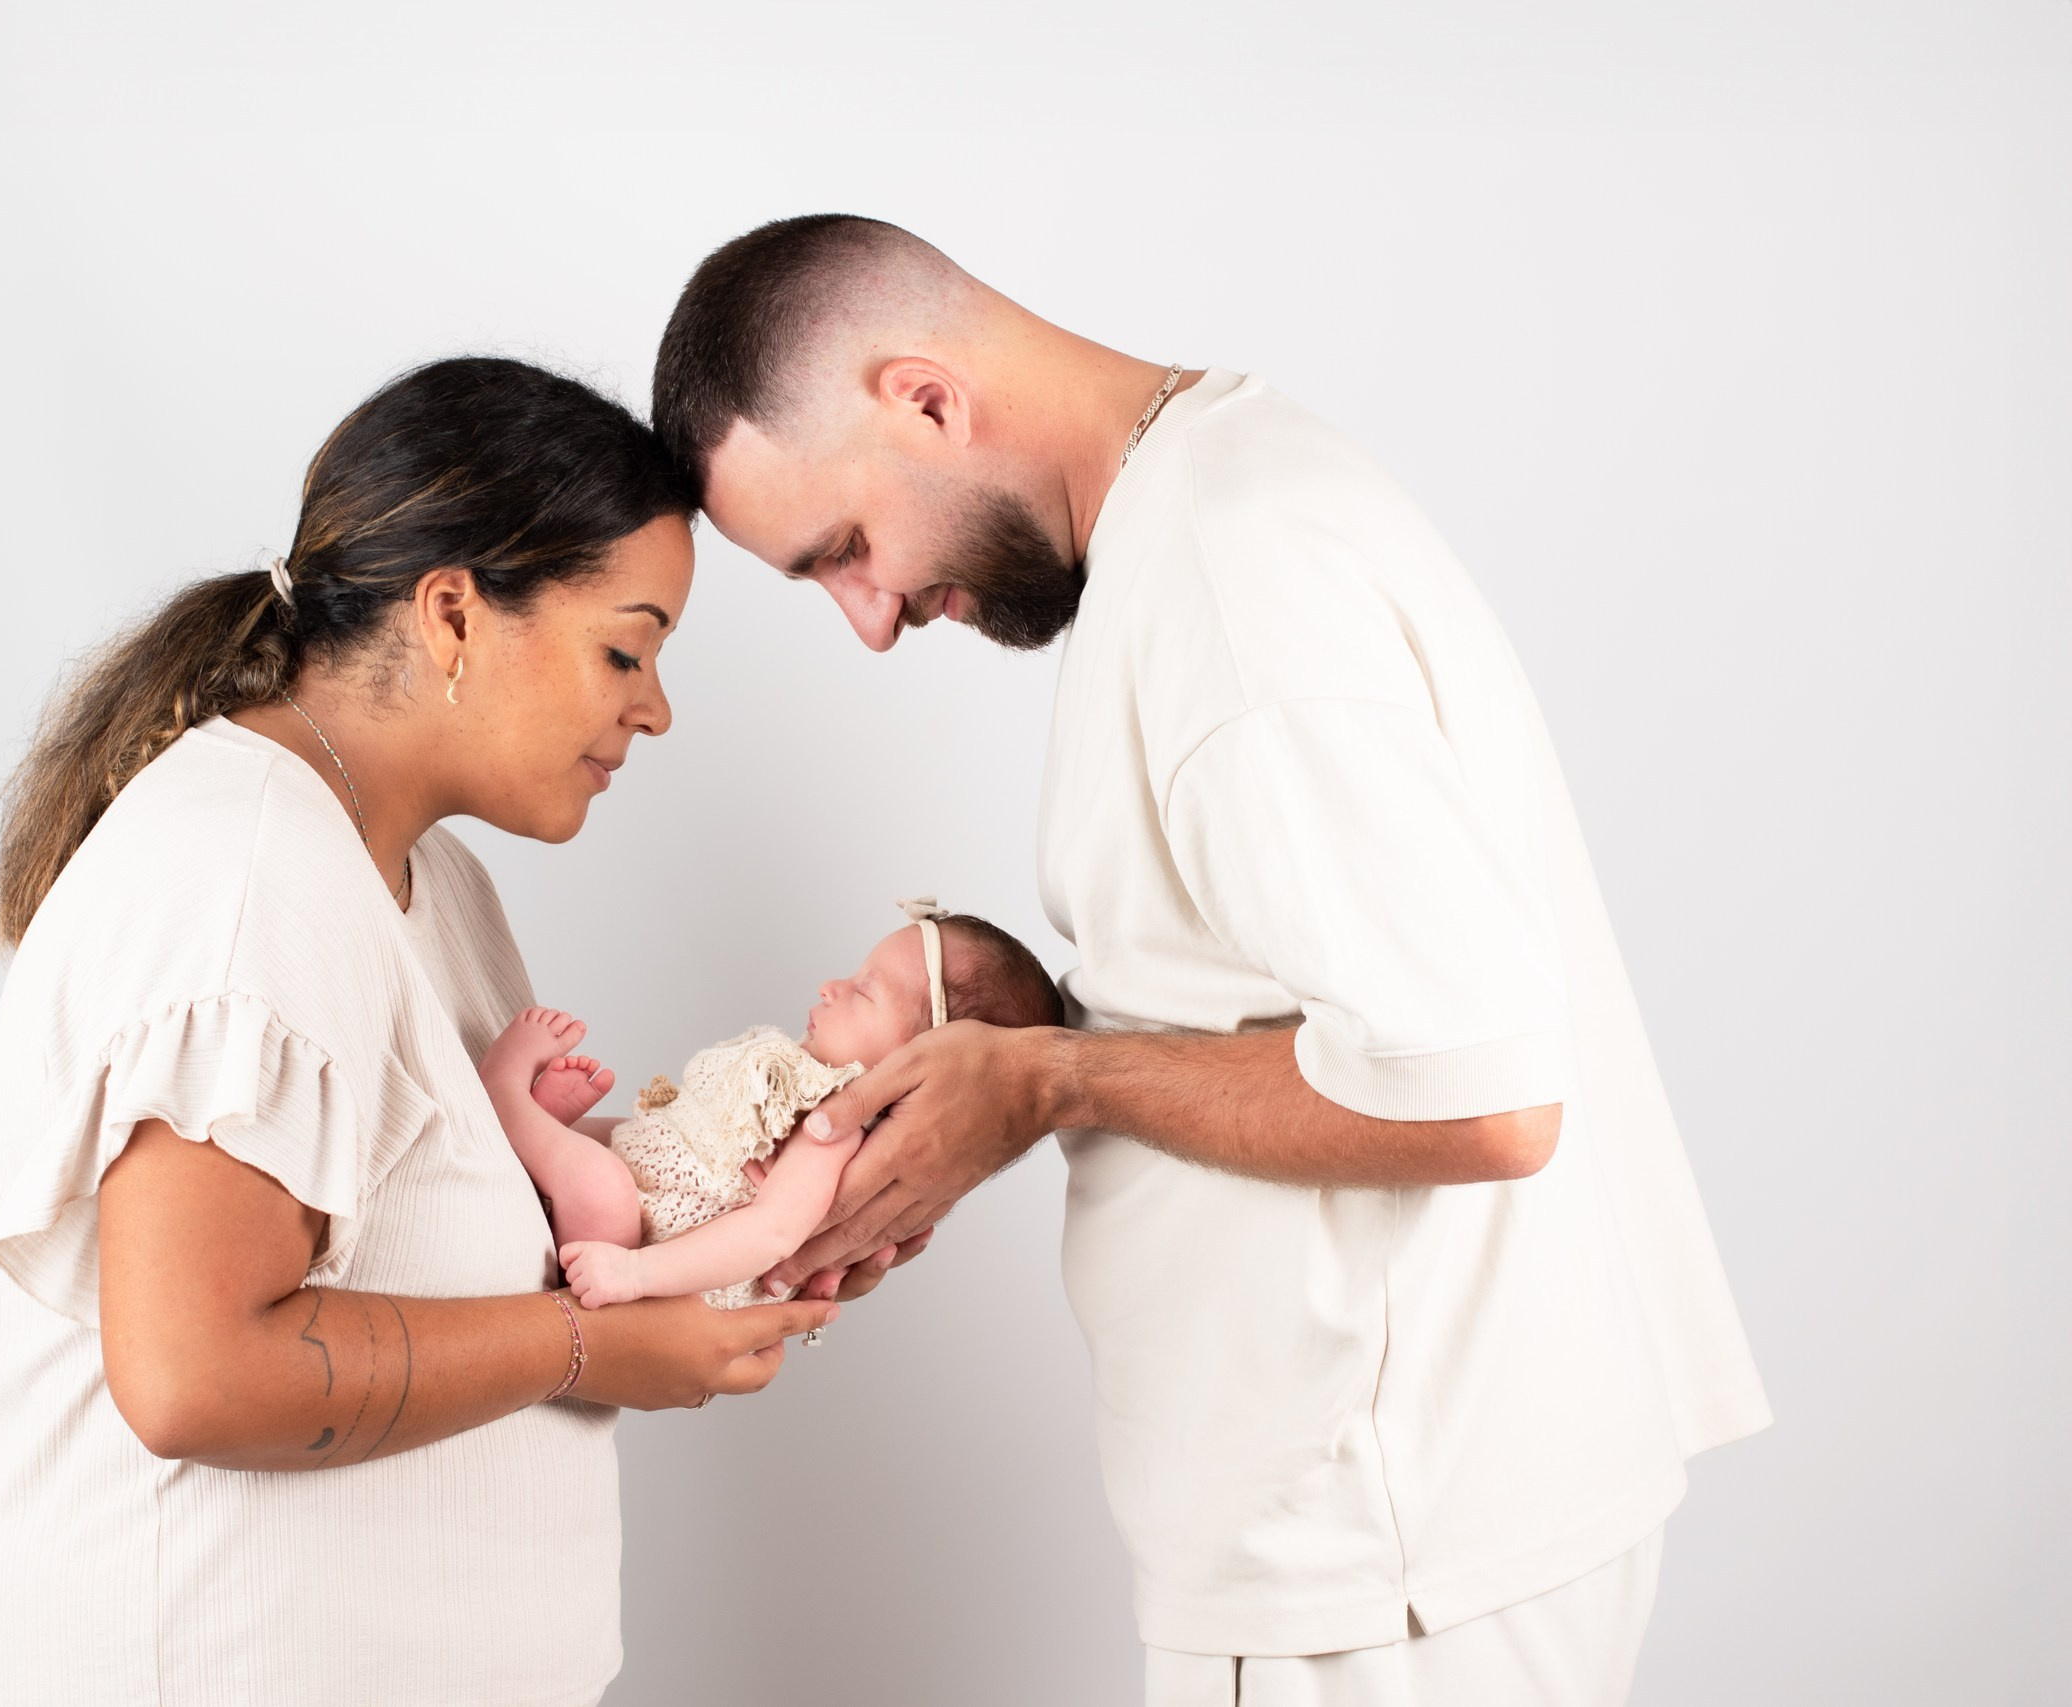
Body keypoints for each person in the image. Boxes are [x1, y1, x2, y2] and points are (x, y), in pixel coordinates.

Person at [651, 217, 1771, 1706]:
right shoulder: (1221, 507)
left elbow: (1482, 1100)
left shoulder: (1231, 586)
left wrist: (1048, 1078)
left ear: (925, 399)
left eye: (845, 548)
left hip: (1380, 1565)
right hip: (1406, 1537)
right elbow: (1314, 991)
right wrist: (1024, 1036)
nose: (869, 618)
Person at [0, 357, 849, 1707]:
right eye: (625, 647)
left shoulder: (424, 882)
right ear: (455, 613)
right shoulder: (244, 879)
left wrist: (762, 1192)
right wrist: (595, 1345)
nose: (653, 705)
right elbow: (199, 1369)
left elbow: (457, 1216)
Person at [481, 903, 1061, 1308]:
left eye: (863, 992)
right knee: (627, 1139)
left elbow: (771, 1234)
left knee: (602, 1184)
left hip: (645, 1255)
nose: (829, 986)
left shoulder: (833, 1127)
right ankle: (559, 1132)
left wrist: (634, 1272)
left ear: (922, 1063)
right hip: (652, 1189)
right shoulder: (791, 1074)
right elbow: (678, 1134)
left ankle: (506, 1096)